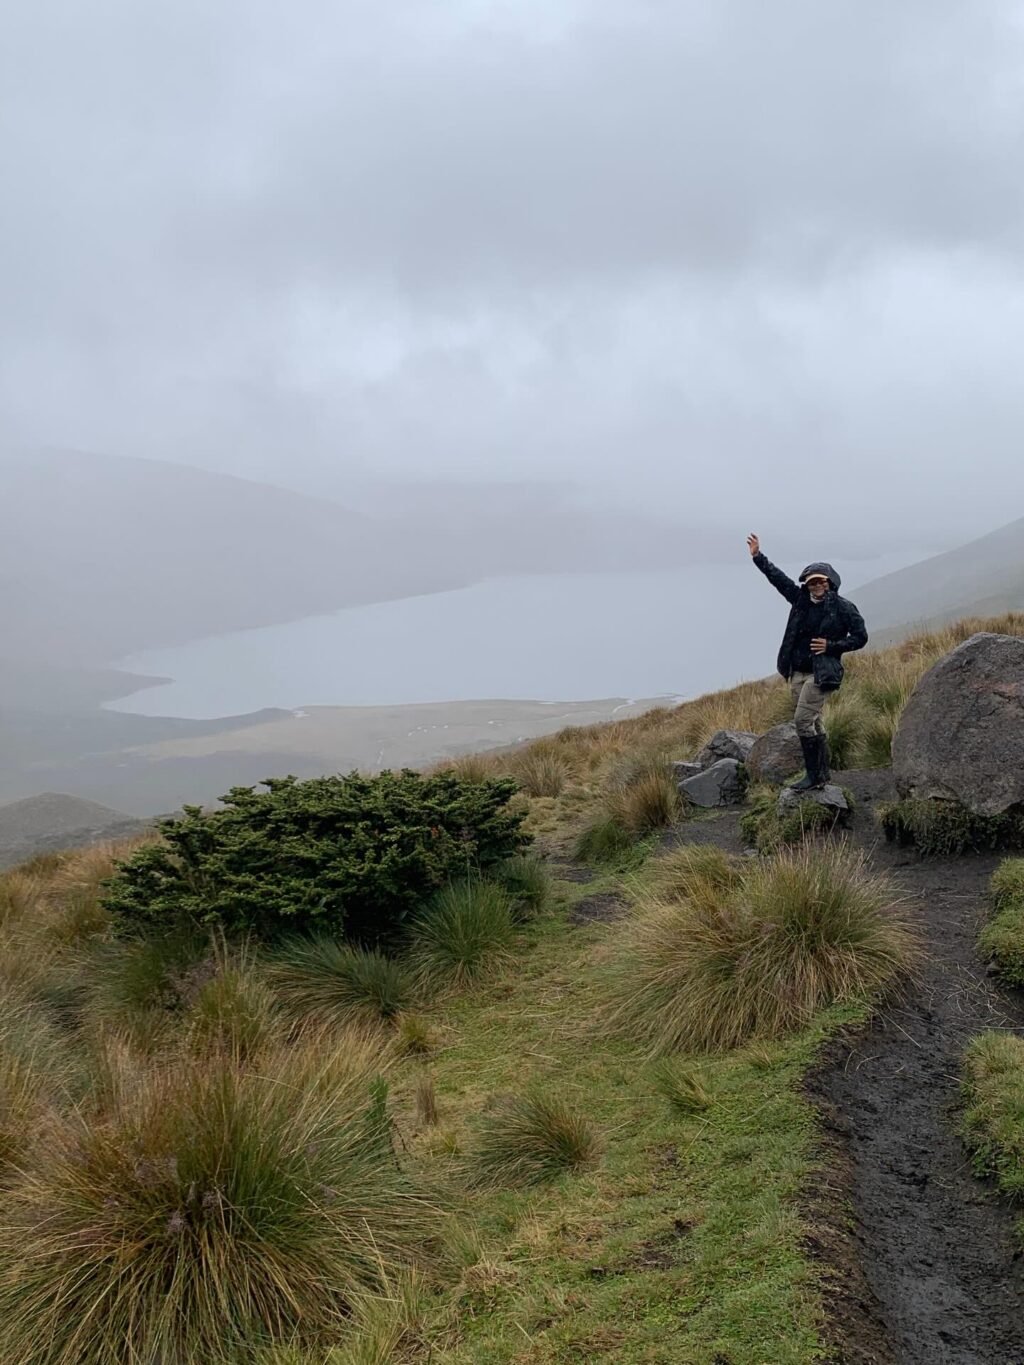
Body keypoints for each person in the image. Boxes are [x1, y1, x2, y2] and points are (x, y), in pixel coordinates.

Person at [746, 533, 868, 791]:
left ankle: (813, 776)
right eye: (811, 583)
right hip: (797, 672)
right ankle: (821, 774)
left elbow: (860, 637)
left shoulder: (843, 608)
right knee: (814, 721)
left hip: (822, 674)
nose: (816, 587)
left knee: (802, 720)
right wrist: (758, 557)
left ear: (830, 582)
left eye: (820, 582)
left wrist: (831, 646)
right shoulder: (800, 601)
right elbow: (778, 579)